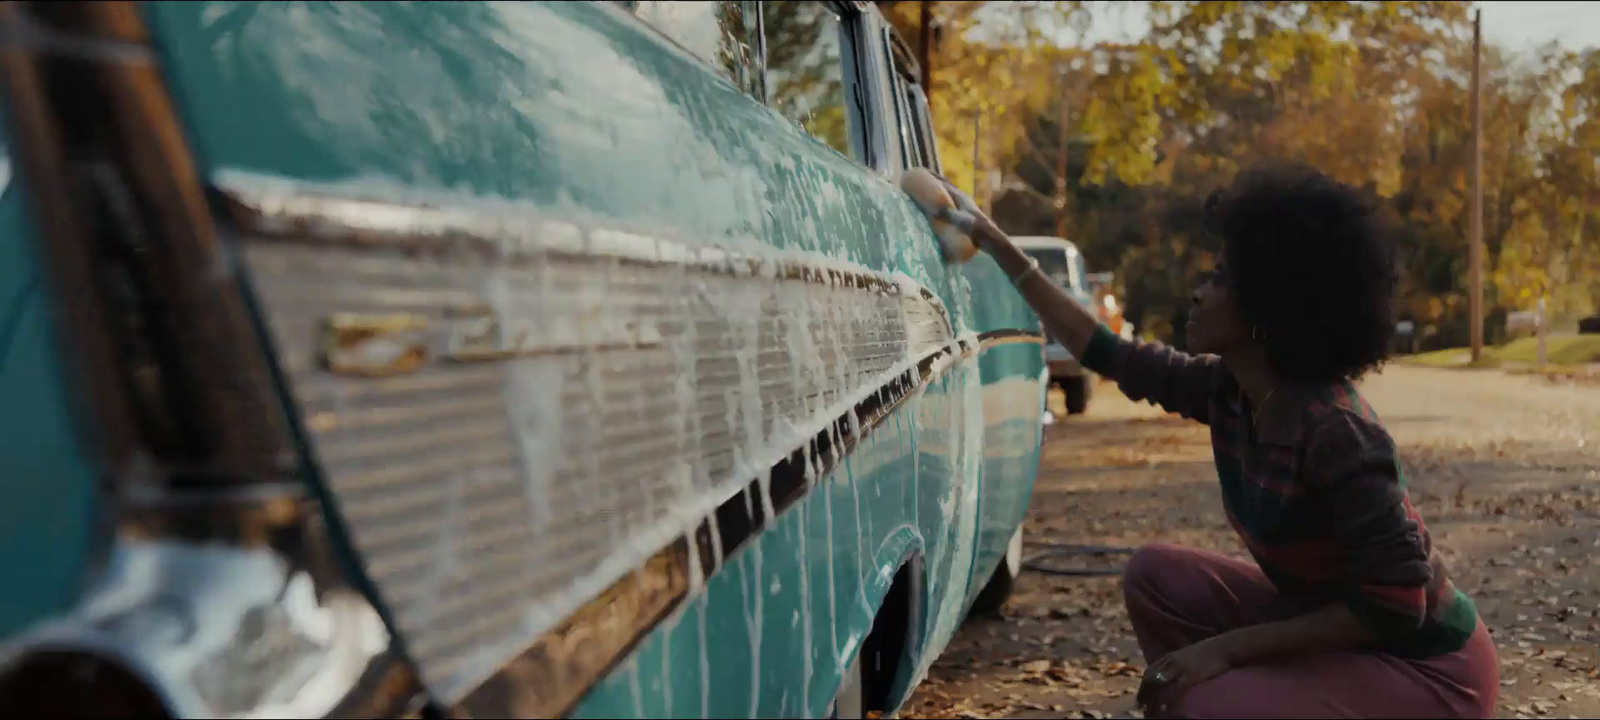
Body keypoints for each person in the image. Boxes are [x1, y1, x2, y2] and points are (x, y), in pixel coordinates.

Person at [942, 162, 1498, 718]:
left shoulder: (1339, 433)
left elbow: (1398, 604)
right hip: (1346, 644)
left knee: (1210, 699)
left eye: (1221, 278)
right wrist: (997, 244)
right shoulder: (1229, 391)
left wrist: (1223, 652)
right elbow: (1105, 352)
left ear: (1268, 309)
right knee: (1155, 578)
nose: (1199, 291)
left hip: (1430, 672)